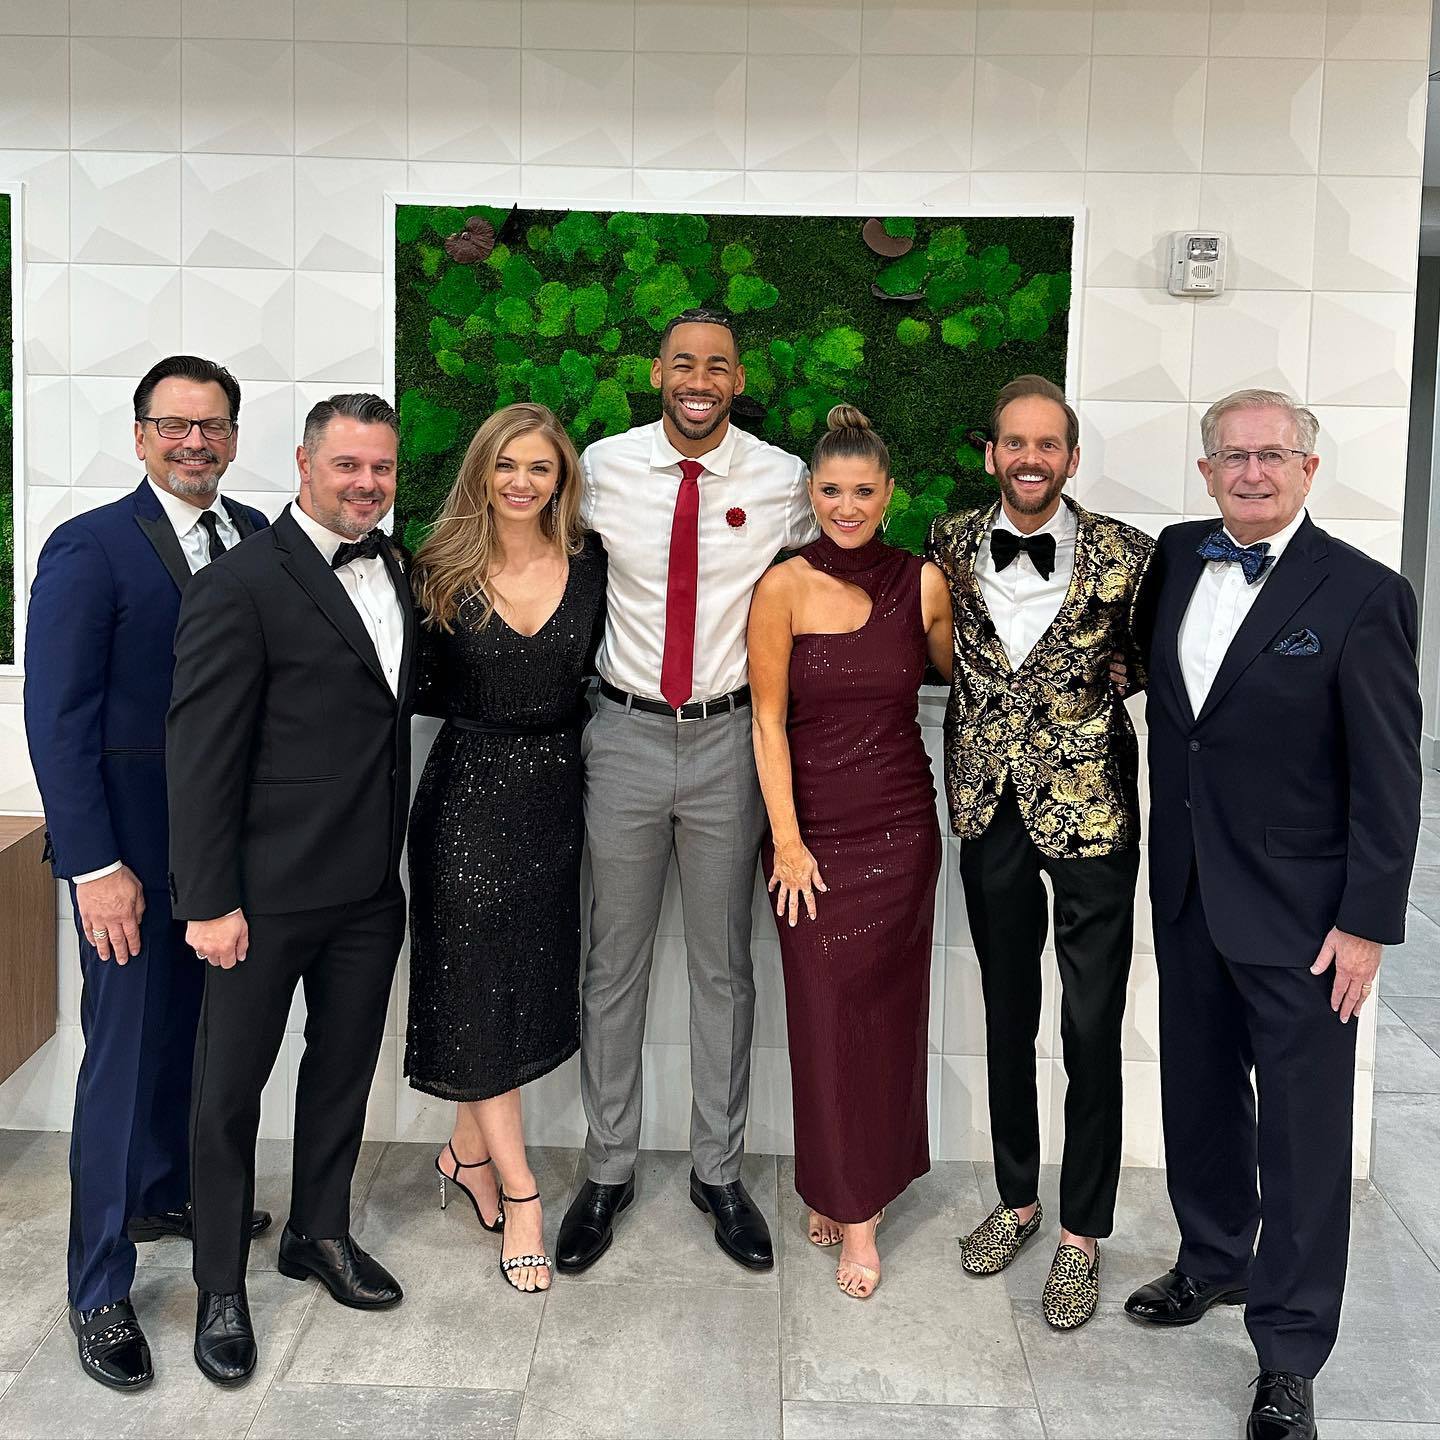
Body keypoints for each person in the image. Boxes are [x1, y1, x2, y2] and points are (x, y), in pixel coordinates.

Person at [1125, 390, 1421, 1440]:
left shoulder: (1365, 592)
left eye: (1273, 455)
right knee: (1200, 1093)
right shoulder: (1175, 554)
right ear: (1207, 470)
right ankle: (1214, 1259)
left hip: (1305, 914)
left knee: (1302, 1135)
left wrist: (1367, 921)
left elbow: (1389, 775)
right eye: (1233, 456)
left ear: (1308, 468)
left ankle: (1290, 1353)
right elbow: (1176, 710)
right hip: (1188, 887)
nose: (1252, 472)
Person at [23, 356, 269, 1392]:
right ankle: (98, 1287)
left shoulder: (256, 536)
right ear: (139, 436)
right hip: (126, 862)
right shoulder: (89, 547)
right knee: (121, 1064)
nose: (194, 442)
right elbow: (57, 719)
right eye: (174, 425)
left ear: (234, 439)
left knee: (193, 1047)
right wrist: (94, 866)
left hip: (228, 863)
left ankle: (166, 1191)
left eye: (212, 427)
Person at [556, 307, 816, 1274]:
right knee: (612, 964)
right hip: (622, 734)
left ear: (738, 381)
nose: (698, 380)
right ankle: (607, 1170)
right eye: (682, 363)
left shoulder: (783, 479)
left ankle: (719, 1172)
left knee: (723, 968)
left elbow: (840, 554)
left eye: (716, 366)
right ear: (657, 373)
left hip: (729, 742)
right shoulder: (602, 467)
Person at [167, 393, 415, 1386]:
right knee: (228, 1095)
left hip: (369, 889)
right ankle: (220, 1286)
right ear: (305, 465)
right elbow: (200, 758)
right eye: (348, 465)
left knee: (342, 1075)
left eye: (381, 467)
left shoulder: (397, 566)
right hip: (260, 898)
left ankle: (319, 1231)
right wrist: (207, 901)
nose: (367, 484)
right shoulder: (238, 584)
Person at [925, 374, 1153, 1331]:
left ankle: (1081, 1233)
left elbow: (1152, 658)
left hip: (1093, 812)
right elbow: (942, 644)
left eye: (1047, 444)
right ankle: (1017, 1199)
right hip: (990, 807)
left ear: (1070, 456)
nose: (1030, 458)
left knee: (1090, 1027)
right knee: (1007, 1011)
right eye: (1014, 442)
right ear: (992, 454)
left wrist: (1103, 687)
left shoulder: (1130, 555)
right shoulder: (946, 540)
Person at [747, 406, 951, 1299]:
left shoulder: (925, 583)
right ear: (811, 493)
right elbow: (765, 722)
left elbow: (961, 674)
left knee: (885, 1019)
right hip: (813, 839)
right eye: (831, 490)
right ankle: (838, 1184)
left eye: (863, 491)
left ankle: (859, 1209)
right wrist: (788, 843)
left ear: (889, 494)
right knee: (825, 1022)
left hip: (901, 832)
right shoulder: (782, 586)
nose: (847, 506)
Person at [405, 402, 606, 1294]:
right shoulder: (436, 569)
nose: (521, 482)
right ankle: (522, 1193)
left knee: (522, 987)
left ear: (562, 480)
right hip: (464, 801)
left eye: (540, 468)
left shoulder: (593, 564)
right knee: (477, 993)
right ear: (481, 472)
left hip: (557, 801)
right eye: (507, 465)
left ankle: (465, 1154)